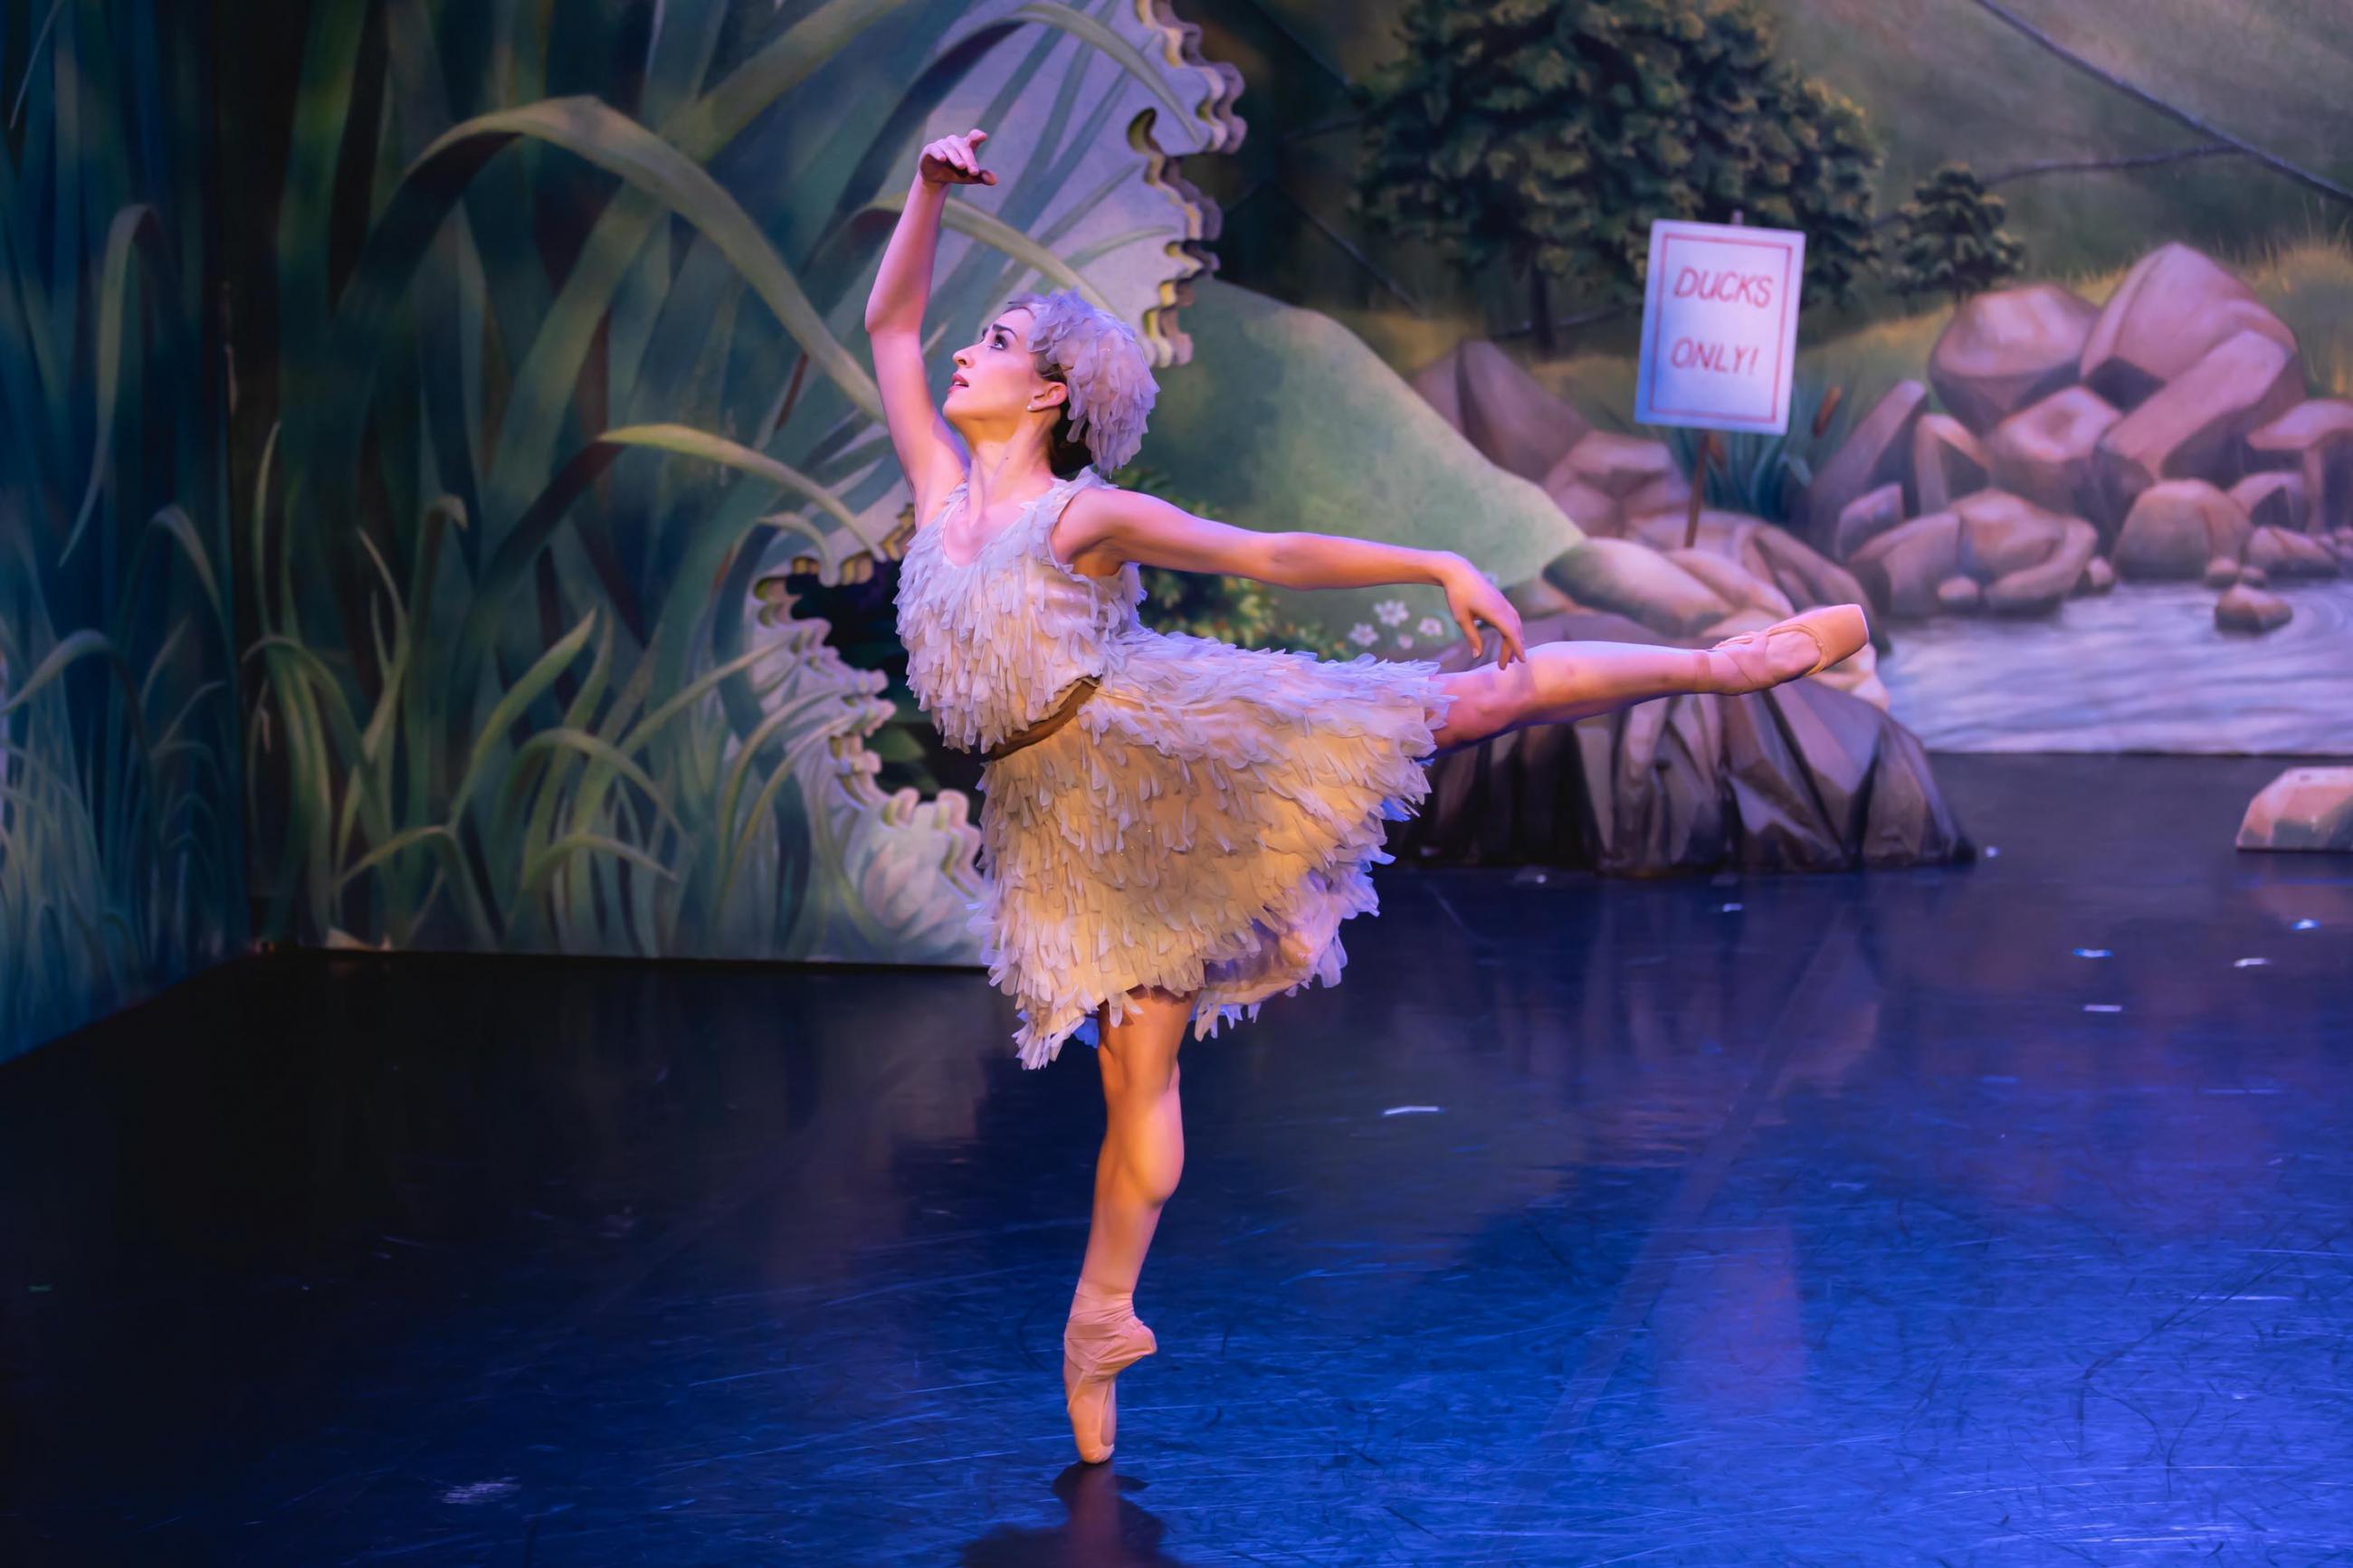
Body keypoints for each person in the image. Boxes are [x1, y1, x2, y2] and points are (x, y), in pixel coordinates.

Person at [862, 127, 1868, 1466]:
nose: (962, 355)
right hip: (1061, 820)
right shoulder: (942, 496)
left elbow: (1266, 550)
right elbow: (889, 325)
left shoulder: (1078, 519)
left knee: (1458, 704)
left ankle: (1728, 661)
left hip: (1162, 752)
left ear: (1047, 394)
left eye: (993, 343)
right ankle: (1101, 1319)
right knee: (1135, 1087)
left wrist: (1435, 558)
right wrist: (928, 189)